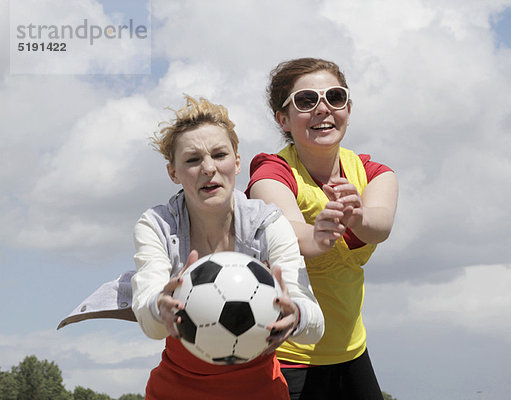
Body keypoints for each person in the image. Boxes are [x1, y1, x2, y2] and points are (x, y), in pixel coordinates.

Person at [58, 95, 324, 400]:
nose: (209, 168)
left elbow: (315, 324)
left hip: (259, 387)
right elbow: (151, 322)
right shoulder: (157, 225)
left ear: (237, 163)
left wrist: (298, 316)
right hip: (177, 388)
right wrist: (160, 307)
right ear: (174, 173)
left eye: (219, 155)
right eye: (193, 159)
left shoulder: (268, 224)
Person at [246, 58, 398, 400]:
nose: (322, 109)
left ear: (348, 108)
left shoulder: (375, 173)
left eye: (334, 97)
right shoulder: (271, 173)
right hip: (286, 356)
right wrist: (318, 234)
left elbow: (381, 226)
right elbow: (286, 234)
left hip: (352, 352)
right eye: (305, 101)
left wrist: (357, 217)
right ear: (282, 119)